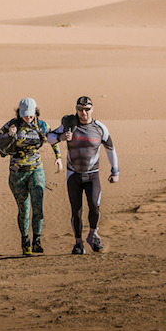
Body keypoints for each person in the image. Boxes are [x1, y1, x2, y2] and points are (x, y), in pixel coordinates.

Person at [47, 96, 120, 254]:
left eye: (87, 109)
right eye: (80, 109)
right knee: (76, 210)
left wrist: (115, 171)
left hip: (92, 175)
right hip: (73, 175)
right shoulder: (69, 125)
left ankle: (93, 235)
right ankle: (78, 243)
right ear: (76, 109)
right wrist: (60, 137)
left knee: (94, 206)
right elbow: (49, 138)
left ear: (92, 109)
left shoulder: (99, 128)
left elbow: (110, 148)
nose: (84, 113)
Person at [0, 98, 62, 257]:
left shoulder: (41, 125)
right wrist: (9, 135)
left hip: (36, 170)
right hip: (17, 173)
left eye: (31, 115)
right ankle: (25, 241)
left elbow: (53, 139)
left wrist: (58, 157)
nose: (28, 118)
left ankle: (37, 240)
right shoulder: (13, 125)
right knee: (24, 209)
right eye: (25, 115)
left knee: (38, 206)